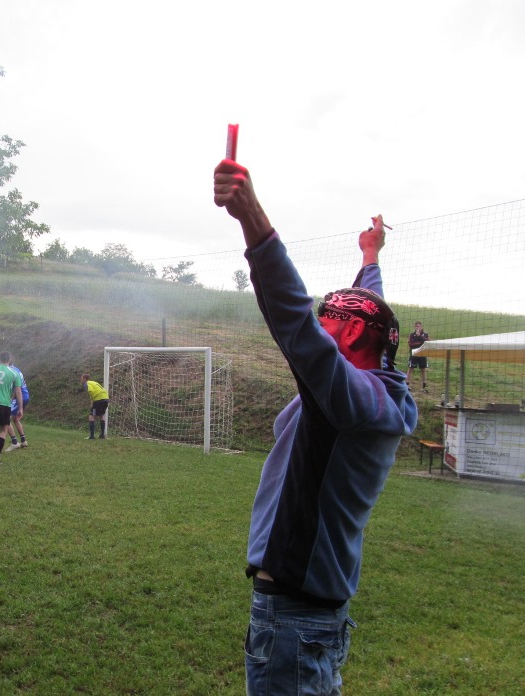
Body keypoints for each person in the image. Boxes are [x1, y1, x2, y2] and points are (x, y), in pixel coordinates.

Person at [213, 158, 418, 695]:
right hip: (314, 616)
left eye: (329, 320)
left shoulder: (348, 401)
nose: (319, 324)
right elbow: (369, 316)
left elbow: (294, 321)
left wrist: (252, 218)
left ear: (346, 337)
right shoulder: (375, 388)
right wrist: (370, 258)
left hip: (293, 620)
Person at [5, 362, 30, 450]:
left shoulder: (11, 371)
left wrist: (11, 399)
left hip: (19, 397)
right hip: (25, 395)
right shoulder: (16, 369)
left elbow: (17, 389)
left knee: (5, 418)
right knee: (15, 419)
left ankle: (14, 442)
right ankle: (23, 441)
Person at [80, 373, 109, 440]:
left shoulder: (87, 383)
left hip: (98, 399)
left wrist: (92, 401)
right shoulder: (94, 382)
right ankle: (102, 435)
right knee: (101, 415)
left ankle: (92, 436)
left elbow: (91, 391)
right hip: (106, 399)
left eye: (81, 379)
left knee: (91, 416)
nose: (81, 380)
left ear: (85, 379)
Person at [406, 321, 430, 392]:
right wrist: (420, 342)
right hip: (414, 354)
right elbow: (411, 344)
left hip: (423, 354)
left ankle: (424, 386)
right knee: (410, 368)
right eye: (416, 326)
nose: (418, 328)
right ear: (414, 327)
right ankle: (407, 385)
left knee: (423, 369)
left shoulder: (425, 334)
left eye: (419, 326)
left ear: (421, 327)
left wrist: (419, 336)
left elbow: (427, 342)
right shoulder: (412, 335)